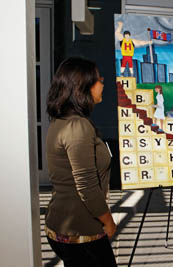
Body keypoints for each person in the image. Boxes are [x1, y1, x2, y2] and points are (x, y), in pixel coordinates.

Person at [45, 57, 117, 267]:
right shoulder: (78, 127)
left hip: (62, 227)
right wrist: (108, 221)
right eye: (98, 79)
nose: (103, 84)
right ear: (83, 87)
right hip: (81, 234)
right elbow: (86, 186)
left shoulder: (61, 121)